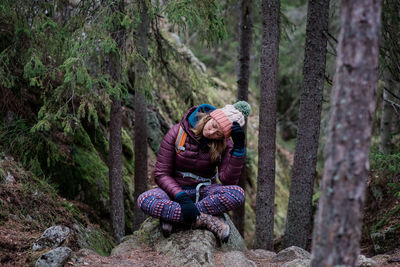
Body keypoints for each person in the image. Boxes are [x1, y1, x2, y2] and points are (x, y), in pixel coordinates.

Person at [137, 101, 251, 242]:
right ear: (211, 117)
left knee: (237, 194)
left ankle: (175, 216)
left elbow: (228, 181)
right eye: (213, 126)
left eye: (218, 134)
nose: (211, 133)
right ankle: (204, 218)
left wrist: (238, 150)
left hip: (205, 191)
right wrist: (182, 198)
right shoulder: (178, 132)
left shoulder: (224, 144)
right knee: (145, 200)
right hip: (175, 193)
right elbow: (161, 173)